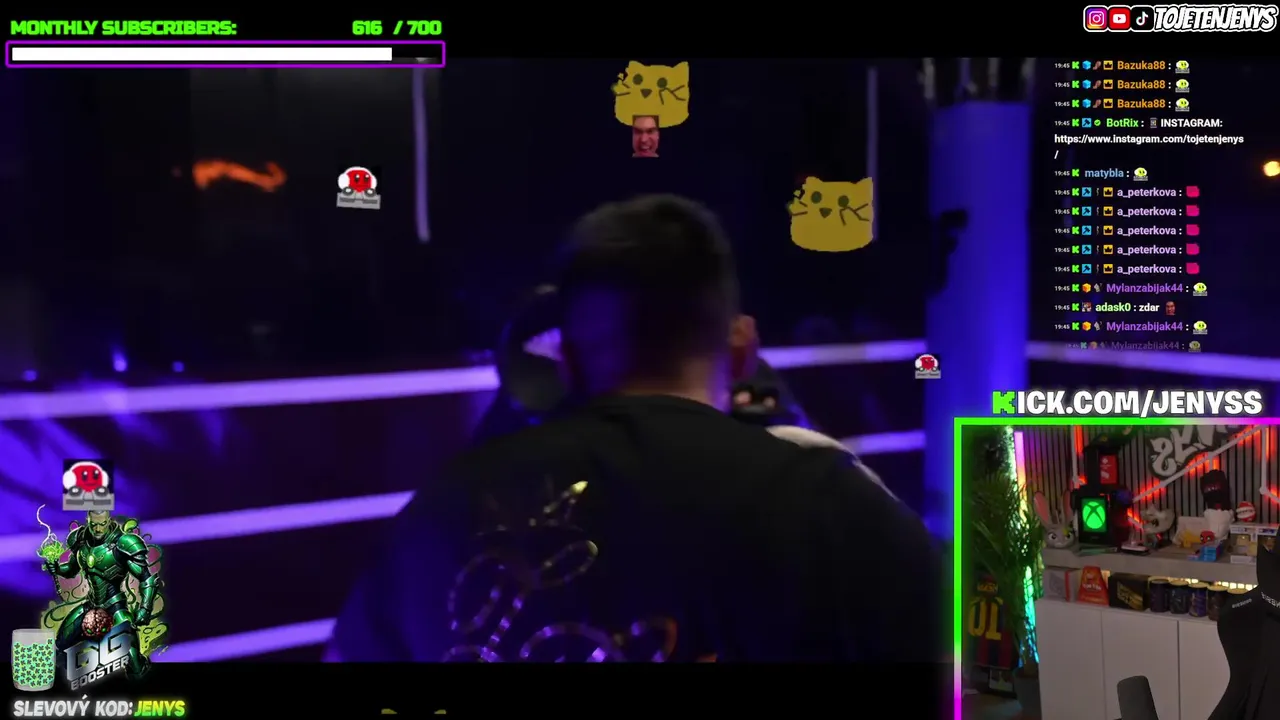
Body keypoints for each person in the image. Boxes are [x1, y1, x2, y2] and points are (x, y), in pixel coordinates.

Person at [328, 195, 942, 663]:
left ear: (567, 363)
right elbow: (984, 685)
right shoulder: (832, 501)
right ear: (741, 350)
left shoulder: (439, 512)